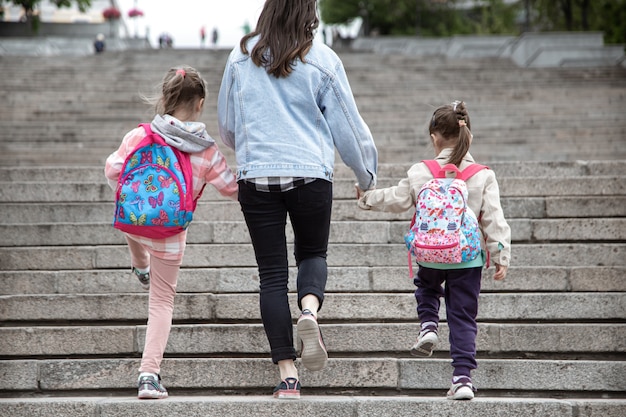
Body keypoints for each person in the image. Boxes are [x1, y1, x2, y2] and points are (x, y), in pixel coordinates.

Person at [217, 0, 378, 400]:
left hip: (257, 176)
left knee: (271, 275)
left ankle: (288, 375)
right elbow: (348, 126)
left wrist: (253, 148)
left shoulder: (240, 57)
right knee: (312, 254)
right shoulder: (321, 58)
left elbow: (227, 125)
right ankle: (309, 310)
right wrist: (365, 176)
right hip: (310, 173)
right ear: (310, 13)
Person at [357, 101, 511, 400]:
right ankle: (463, 379)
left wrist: (366, 198)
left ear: (434, 136)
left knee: (426, 288)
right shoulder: (483, 175)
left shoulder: (420, 172)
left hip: (430, 252)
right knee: (463, 316)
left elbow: (397, 199)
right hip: (467, 257)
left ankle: (428, 324)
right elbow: (494, 218)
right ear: (468, 135)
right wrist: (501, 255)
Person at [105, 66, 238, 400]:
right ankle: (149, 377)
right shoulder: (205, 150)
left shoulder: (139, 136)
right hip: (170, 233)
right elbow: (232, 188)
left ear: (164, 98)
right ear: (201, 104)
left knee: (133, 216)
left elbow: (112, 171)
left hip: (137, 221)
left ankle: (139, 263)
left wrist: (134, 196)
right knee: (162, 302)